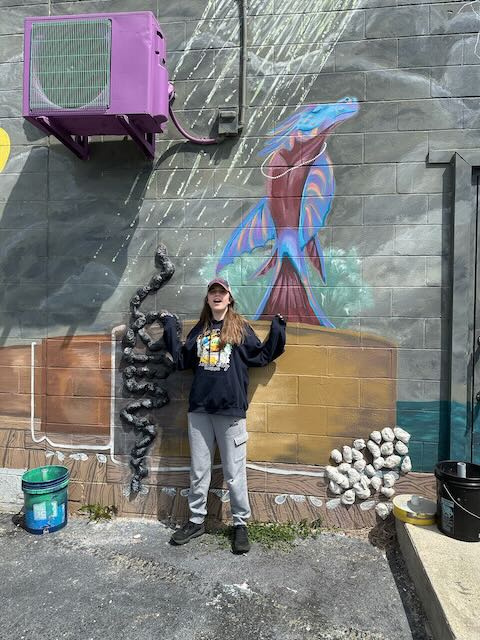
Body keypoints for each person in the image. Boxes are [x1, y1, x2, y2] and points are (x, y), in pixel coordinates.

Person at [161, 277, 286, 554]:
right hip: (200, 411)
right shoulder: (200, 330)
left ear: (229, 298)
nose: (217, 296)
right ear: (208, 299)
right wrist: (169, 327)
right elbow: (182, 360)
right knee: (199, 470)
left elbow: (261, 356)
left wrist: (278, 329)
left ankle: (240, 524)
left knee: (234, 472)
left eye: (222, 292)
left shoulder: (240, 328)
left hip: (230, 411)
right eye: (212, 292)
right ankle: (196, 520)